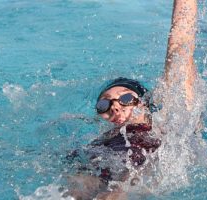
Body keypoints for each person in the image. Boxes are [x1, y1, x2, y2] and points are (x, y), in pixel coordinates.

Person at [64, 0, 197, 199]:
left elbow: (179, 48)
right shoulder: (102, 139)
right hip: (97, 167)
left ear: (143, 102)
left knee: (116, 193)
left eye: (125, 98)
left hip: (139, 172)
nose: (115, 107)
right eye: (105, 104)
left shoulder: (169, 120)